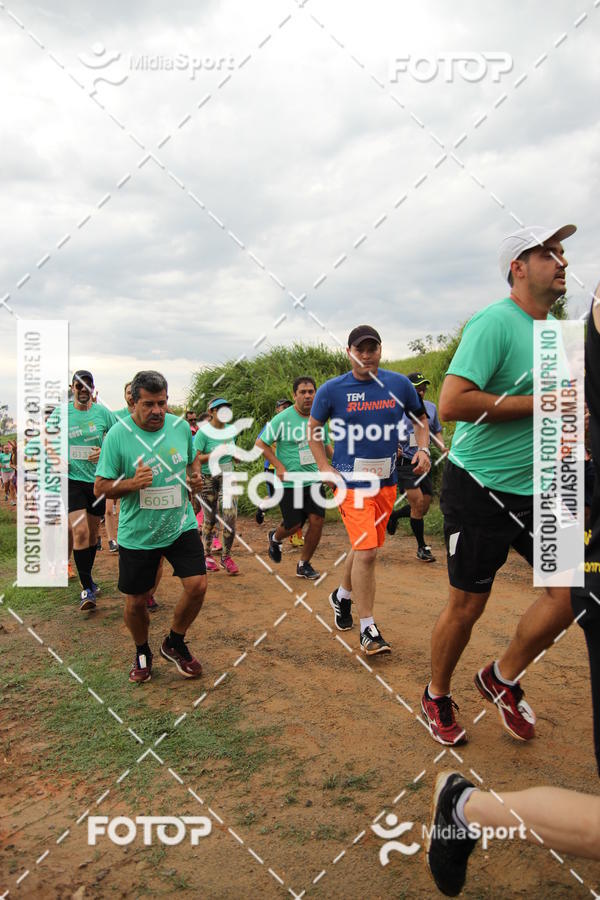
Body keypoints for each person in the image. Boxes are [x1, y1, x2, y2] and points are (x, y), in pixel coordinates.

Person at [421, 224, 578, 746]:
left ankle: (500, 676)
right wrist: (540, 405)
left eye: (561, 252)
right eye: (547, 252)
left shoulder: (557, 330)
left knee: (570, 593)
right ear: (518, 266)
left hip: (545, 489)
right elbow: (452, 404)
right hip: (481, 488)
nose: (560, 260)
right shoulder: (495, 322)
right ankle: (436, 694)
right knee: (468, 605)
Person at [309, 325, 429, 652]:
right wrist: (324, 466)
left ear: (380, 350)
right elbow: (314, 429)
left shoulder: (399, 384)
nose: (366, 355)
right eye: (359, 349)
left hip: (386, 484)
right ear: (349, 352)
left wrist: (423, 449)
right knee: (367, 551)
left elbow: (420, 420)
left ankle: (341, 595)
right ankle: (368, 629)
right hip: (350, 484)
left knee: (364, 547)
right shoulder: (332, 390)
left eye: (371, 348)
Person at [95, 370, 206, 683]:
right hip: (139, 534)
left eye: (162, 403)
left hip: (179, 524)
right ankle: (141, 649)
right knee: (135, 600)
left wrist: (194, 478)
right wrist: (132, 483)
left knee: (197, 585)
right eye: (149, 404)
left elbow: (191, 458)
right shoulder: (118, 436)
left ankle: (175, 641)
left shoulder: (180, 427)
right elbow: (100, 487)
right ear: (133, 402)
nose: (157, 410)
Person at [256, 378, 332, 580]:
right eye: (303, 392)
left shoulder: (319, 419)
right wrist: (279, 466)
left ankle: (304, 564)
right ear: (294, 395)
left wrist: (341, 462)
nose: (308, 396)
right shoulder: (282, 419)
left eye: (311, 392)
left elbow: (326, 447)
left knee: (317, 521)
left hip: (314, 480)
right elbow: (261, 444)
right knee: (294, 525)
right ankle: (275, 537)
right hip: (290, 482)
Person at [65, 370, 116, 610]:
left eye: (88, 385)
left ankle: (89, 579)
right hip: (71, 480)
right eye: (79, 386)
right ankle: (86, 590)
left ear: (93, 388)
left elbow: (117, 435)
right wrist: (57, 457)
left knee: (94, 535)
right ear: (72, 387)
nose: (83, 390)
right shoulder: (61, 413)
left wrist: (103, 450)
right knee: (81, 532)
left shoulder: (102, 412)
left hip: (96, 480)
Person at [386, 372, 448, 561]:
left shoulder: (430, 408)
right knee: (418, 503)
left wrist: (442, 446)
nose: (421, 391)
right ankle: (422, 547)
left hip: (424, 463)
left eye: (424, 387)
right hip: (404, 463)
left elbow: (435, 430)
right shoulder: (396, 408)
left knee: (424, 507)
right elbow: (385, 430)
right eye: (417, 388)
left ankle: (395, 515)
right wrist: (393, 445)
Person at [193, 398, 240, 575]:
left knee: (230, 516)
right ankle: (206, 555)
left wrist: (236, 456)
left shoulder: (230, 430)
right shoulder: (203, 433)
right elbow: (195, 458)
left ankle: (226, 556)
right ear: (212, 411)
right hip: (207, 477)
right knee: (210, 518)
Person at [105, 381, 135, 555]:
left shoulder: (144, 415)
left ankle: (128, 539)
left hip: (135, 467)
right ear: (124, 396)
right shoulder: (115, 416)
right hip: (116, 468)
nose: (131, 395)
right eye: (128, 392)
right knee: (109, 508)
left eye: (133, 392)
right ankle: (111, 540)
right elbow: (105, 435)